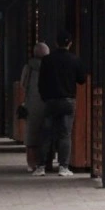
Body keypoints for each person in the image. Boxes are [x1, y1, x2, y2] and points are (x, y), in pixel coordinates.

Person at [34, 31, 86, 177]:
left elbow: (41, 82)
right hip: (68, 101)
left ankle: (41, 167)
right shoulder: (75, 59)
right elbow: (82, 80)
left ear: (56, 43)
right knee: (65, 134)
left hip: (50, 101)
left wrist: (44, 97)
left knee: (46, 134)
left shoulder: (47, 60)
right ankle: (63, 167)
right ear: (70, 43)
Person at [21, 42, 50, 173]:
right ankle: (45, 163)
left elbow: (23, 84)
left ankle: (31, 163)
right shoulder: (50, 66)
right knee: (46, 134)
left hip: (32, 103)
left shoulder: (28, 67)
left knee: (31, 135)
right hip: (47, 103)